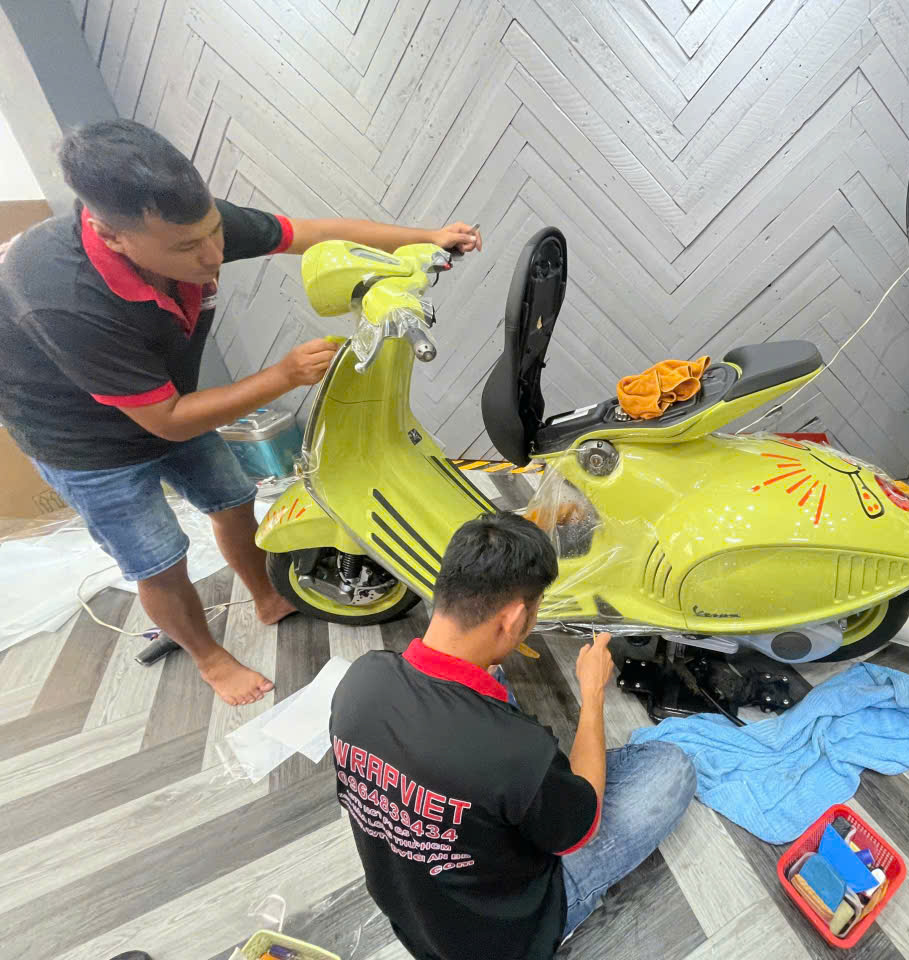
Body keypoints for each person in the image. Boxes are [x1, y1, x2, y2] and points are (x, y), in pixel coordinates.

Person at [0, 119, 481, 706]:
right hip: (83, 441)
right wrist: (281, 376)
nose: (213, 256)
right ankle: (210, 659)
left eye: (213, 232)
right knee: (158, 558)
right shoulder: (61, 298)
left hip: (166, 399)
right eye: (187, 248)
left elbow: (309, 233)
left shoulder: (185, 220)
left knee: (231, 499)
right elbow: (166, 421)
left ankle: (269, 595)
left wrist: (426, 237)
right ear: (111, 235)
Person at [330, 511, 697, 960]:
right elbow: (581, 827)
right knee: (671, 766)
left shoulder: (360, 679)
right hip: (504, 941)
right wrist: (592, 695)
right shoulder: (518, 752)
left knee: (492, 675)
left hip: (412, 914)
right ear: (515, 616)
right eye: (535, 609)